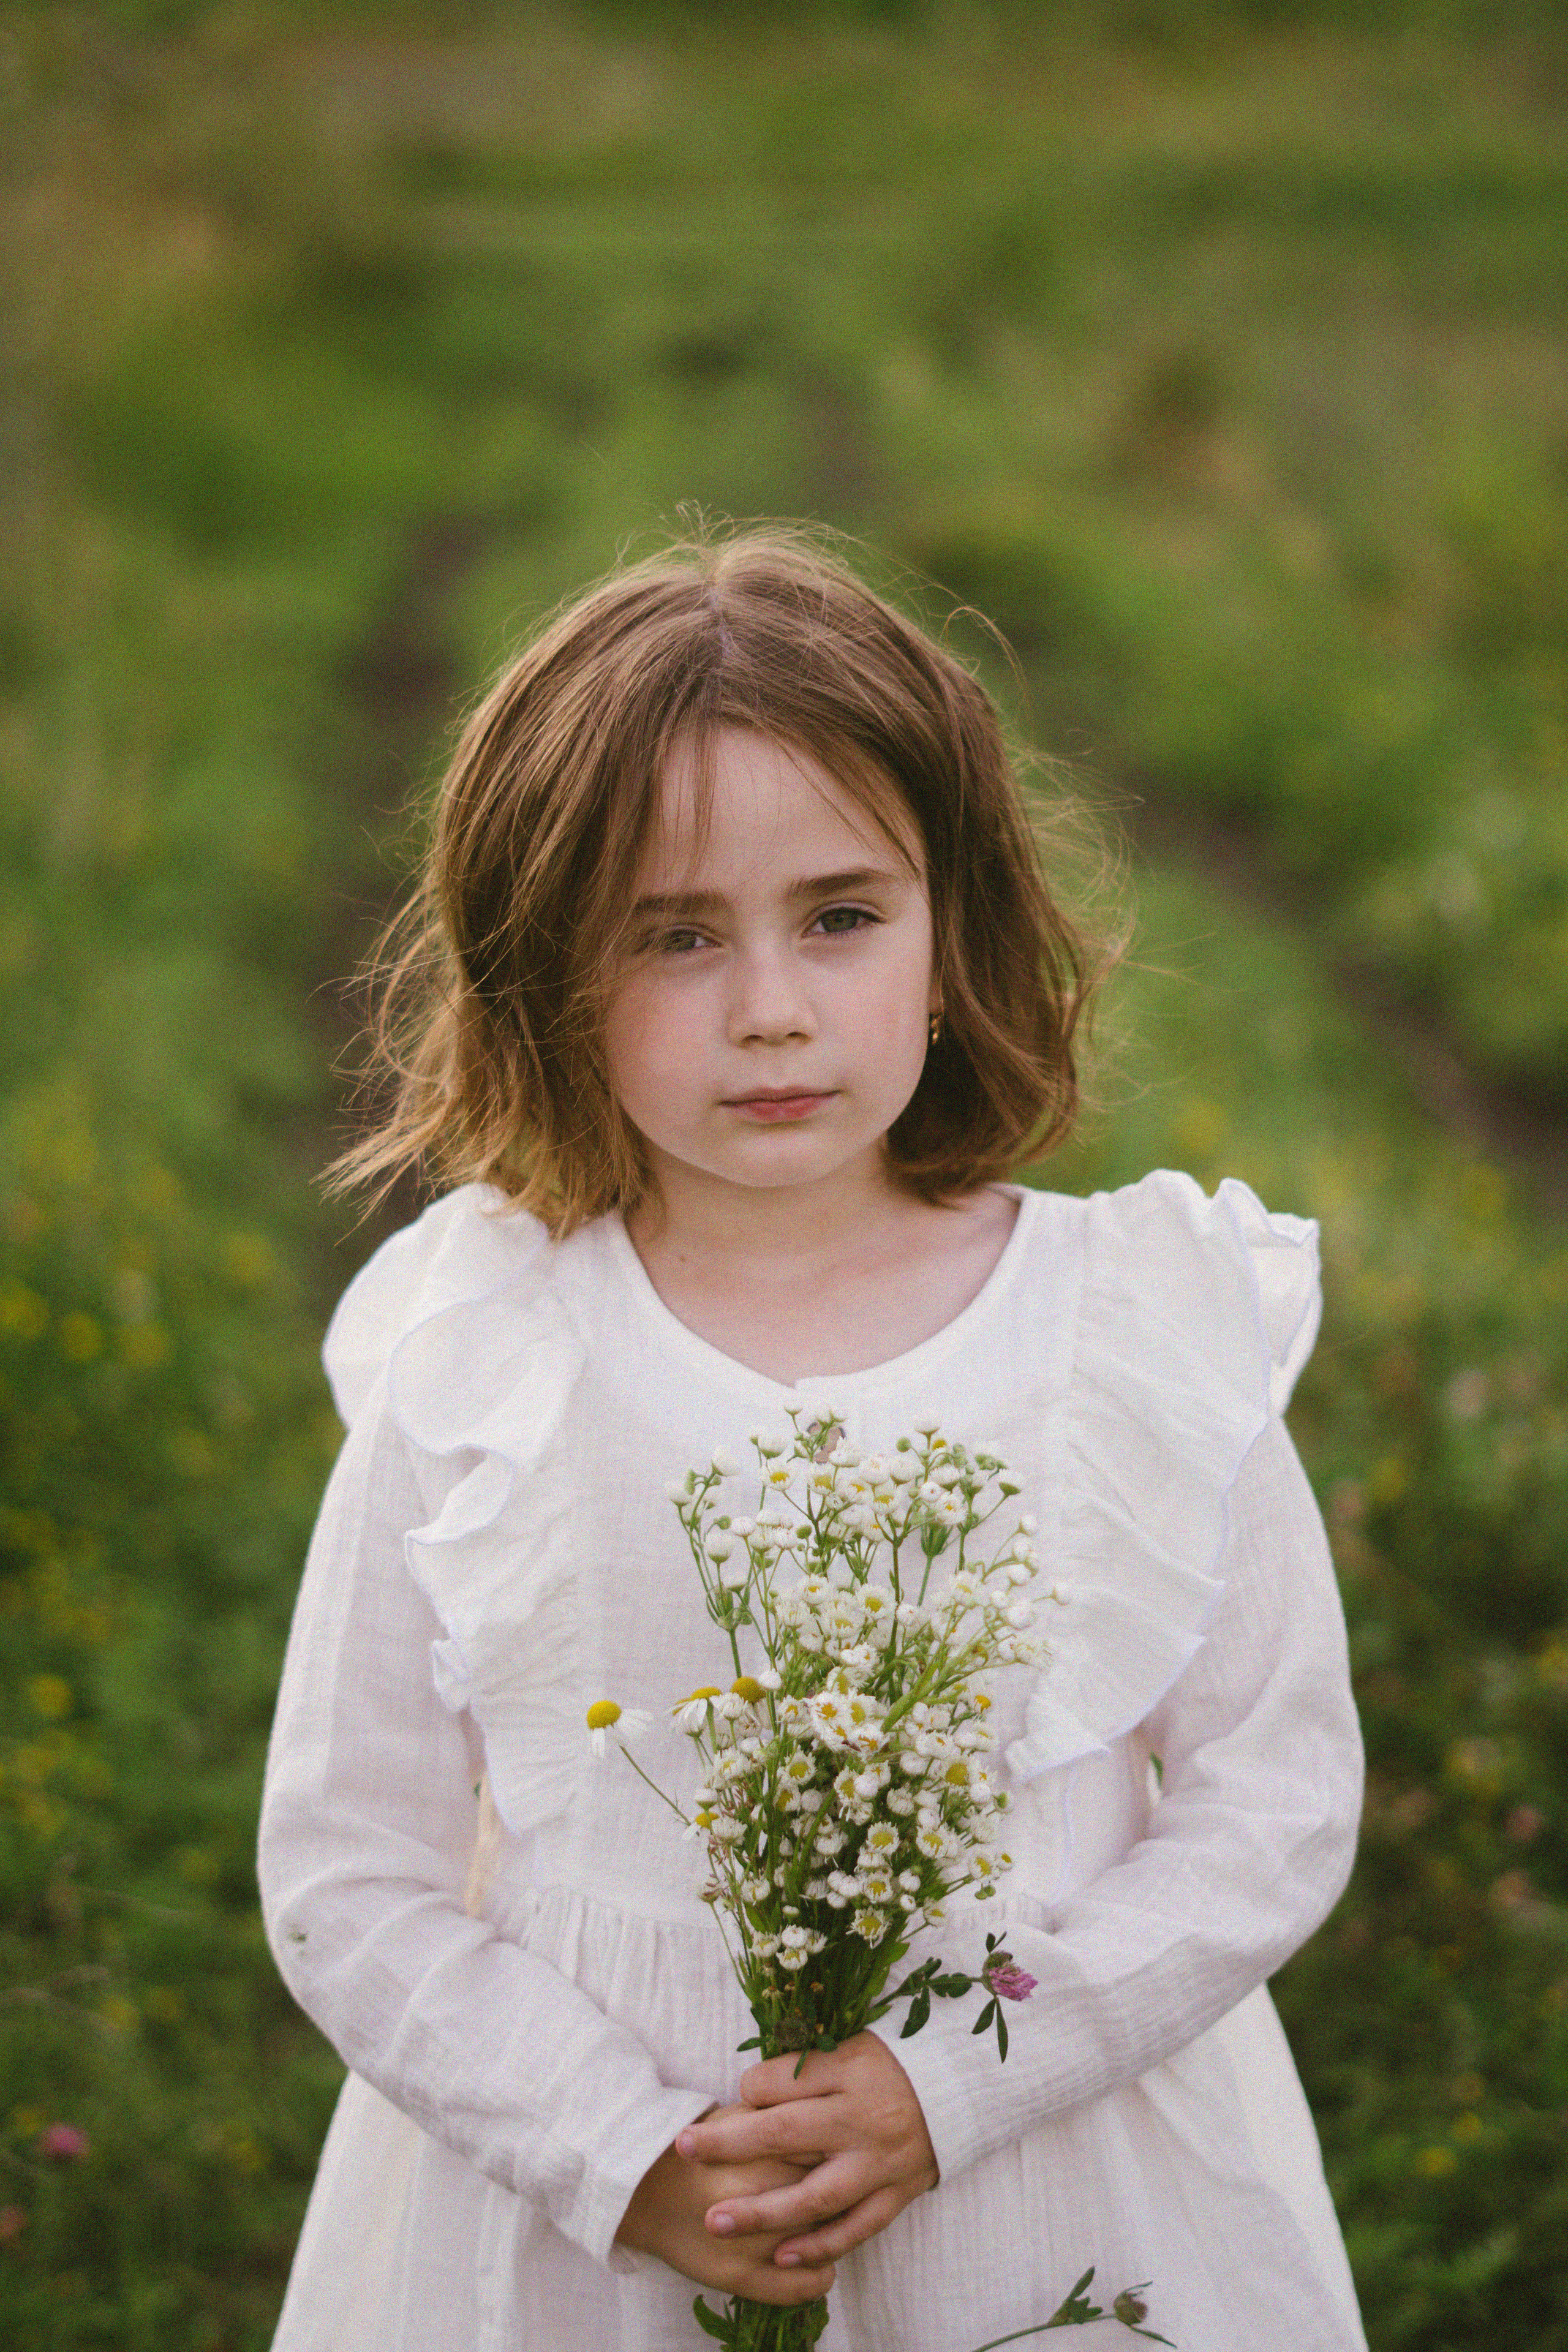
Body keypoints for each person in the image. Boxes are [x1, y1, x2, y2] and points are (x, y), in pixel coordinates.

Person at [257, 529, 1366, 2352]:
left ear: (950, 933)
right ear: (546, 976)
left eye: (841, 917)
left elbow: (1274, 1799)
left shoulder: (1132, 1327)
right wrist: (623, 2157)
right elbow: (346, 1873)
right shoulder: (486, 1351)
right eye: (675, 936)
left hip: (1053, 2201)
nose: (770, 1006)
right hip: (589, 2245)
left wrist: (956, 2084)